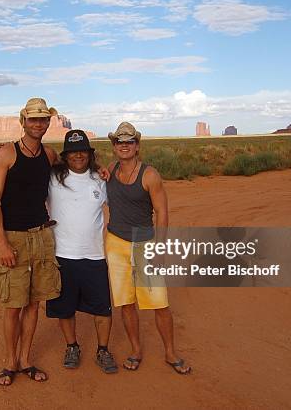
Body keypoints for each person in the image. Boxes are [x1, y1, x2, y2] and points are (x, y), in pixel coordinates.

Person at [105, 121, 192, 375]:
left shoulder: (150, 175)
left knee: (159, 303)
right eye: (120, 142)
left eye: (129, 141)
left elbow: (162, 213)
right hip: (116, 243)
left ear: (137, 145)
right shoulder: (109, 169)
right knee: (126, 302)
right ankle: (135, 350)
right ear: (114, 146)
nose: (124, 146)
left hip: (144, 244)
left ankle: (170, 352)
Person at [0, 97, 61, 386]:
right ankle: (9, 362)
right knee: (13, 305)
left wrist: (102, 168)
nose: (38, 124)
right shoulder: (6, 154)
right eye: (33, 119)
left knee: (33, 304)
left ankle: (26, 360)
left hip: (42, 236)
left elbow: (79, 162)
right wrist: (2, 244)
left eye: (43, 119)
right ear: (24, 121)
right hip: (15, 238)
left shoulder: (50, 154)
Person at [46, 130, 118, 374]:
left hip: (94, 255)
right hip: (62, 255)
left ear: (89, 154)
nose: (78, 156)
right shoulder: (53, 178)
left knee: (102, 307)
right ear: (65, 156)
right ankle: (72, 346)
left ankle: (103, 350)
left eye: (82, 151)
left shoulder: (101, 179)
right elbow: (38, 156)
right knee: (64, 307)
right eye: (73, 152)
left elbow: (121, 197)